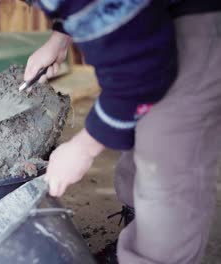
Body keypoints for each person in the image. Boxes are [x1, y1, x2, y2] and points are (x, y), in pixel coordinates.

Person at [22, 0, 221, 263]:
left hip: (197, 21)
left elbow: (141, 75)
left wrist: (84, 146)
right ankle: (138, 233)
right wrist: (59, 39)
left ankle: (155, 255)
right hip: (154, 16)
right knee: (140, 140)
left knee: (167, 171)